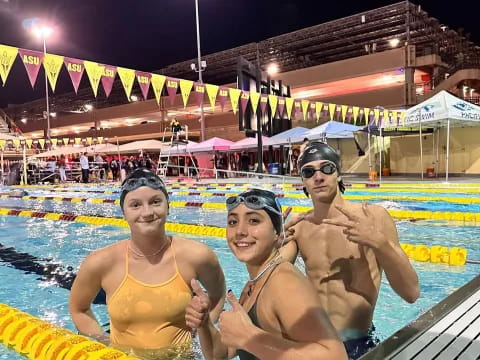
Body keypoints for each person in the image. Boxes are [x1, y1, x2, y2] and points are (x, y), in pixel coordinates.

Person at [280, 142, 420, 359]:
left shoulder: (374, 218)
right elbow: (270, 279)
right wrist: (268, 246)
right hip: (315, 344)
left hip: (359, 345)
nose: (318, 177)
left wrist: (379, 243)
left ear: (338, 174)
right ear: (303, 182)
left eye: (326, 168)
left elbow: (411, 293)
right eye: (309, 172)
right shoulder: (298, 228)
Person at [69, 168, 226, 359]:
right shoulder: (100, 262)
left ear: (168, 206)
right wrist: (104, 343)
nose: (147, 212)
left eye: (155, 202)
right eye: (135, 205)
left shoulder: (197, 255)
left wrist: (202, 329)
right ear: (123, 213)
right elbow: (79, 309)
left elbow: (218, 295)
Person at [185, 188, 347, 360]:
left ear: (277, 233)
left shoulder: (284, 283)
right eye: (232, 222)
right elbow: (221, 353)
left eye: (254, 220)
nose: (240, 231)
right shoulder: (253, 284)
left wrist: (249, 339)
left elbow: (336, 356)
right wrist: (204, 324)